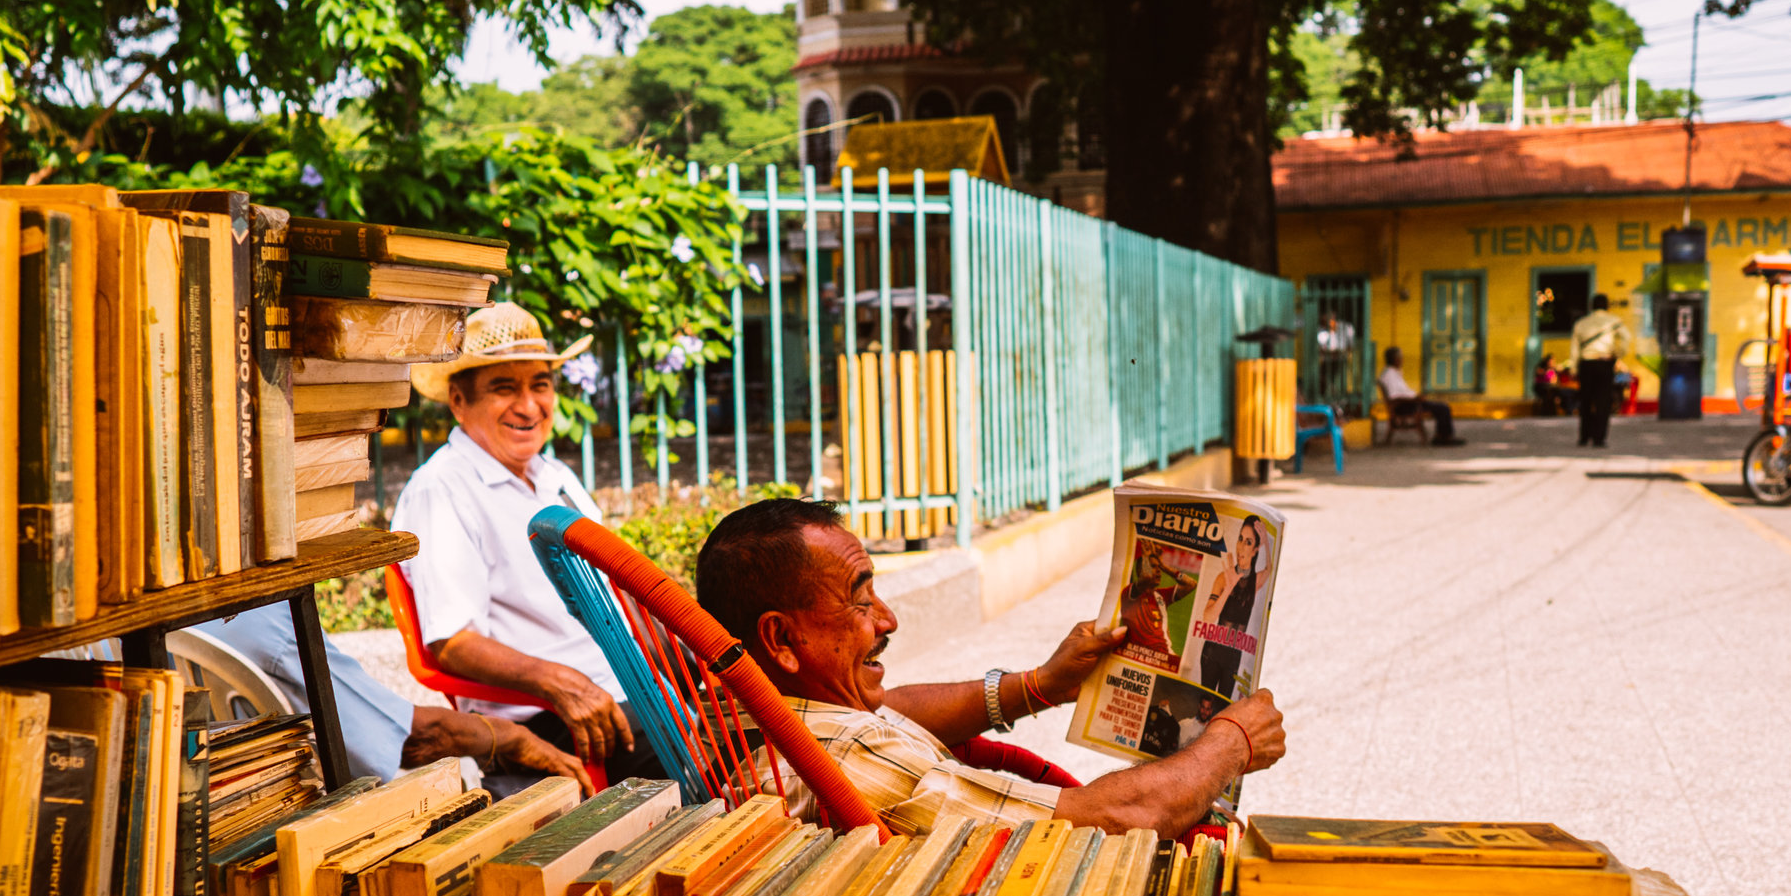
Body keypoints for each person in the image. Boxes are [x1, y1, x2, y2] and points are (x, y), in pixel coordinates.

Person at [693, 497, 1286, 838]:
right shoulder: (854, 759)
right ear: (782, 639)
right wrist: (1233, 740)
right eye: (859, 597)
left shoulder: (739, 709)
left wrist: (1040, 685)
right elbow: (1110, 818)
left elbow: (892, 705)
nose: (888, 620)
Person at [390, 303, 650, 780]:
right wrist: (562, 684)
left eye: (540, 385)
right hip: (549, 716)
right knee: (720, 776)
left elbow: (612, 586)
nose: (529, 406)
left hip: (623, 690)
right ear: (459, 402)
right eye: (504, 388)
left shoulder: (554, 475)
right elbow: (453, 643)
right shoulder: (443, 488)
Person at [195, 606, 587, 788]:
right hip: (286, 812)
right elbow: (404, 740)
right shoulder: (261, 617)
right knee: (547, 795)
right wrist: (510, 737)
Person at [1195, 515, 1263, 699]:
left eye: (1248, 542)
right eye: (1240, 539)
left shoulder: (1256, 581)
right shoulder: (1223, 577)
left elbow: (1270, 569)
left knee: (1222, 709)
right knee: (1205, 706)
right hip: (1212, 654)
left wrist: (1267, 541)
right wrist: (1229, 587)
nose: (1241, 546)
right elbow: (1207, 618)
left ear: (1256, 550)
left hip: (1233, 657)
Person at [1569, 291, 1632, 449]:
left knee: (1586, 401)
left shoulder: (1582, 323)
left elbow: (1575, 348)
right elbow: (1626, 337)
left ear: (1591, 306)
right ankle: (1599, 439)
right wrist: (1618, 353)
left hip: (1586, 363)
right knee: (1603, 401)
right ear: (1607, 306)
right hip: (1604, 363)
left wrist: (1573, 368)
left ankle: (1584, 437)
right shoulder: (1614, 321)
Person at [1376, 346, 1465, 446]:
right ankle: (1443, 438)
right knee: (1443, 408)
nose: (1402, 360)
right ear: (1395, 359)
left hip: (1412, 402)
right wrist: (1416, 399)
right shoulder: (1389, 375)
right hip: (1406, 405)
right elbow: (1395, 397)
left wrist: (1417, 396)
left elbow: (1402, 391)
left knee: (1441, 406)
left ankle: (1443, 436)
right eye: (1401, 357)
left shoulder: (1394, 372)